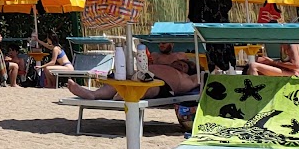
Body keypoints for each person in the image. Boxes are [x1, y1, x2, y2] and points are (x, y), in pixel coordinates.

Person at [65, 44, 200, 99]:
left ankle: (126, 95)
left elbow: (200, 77)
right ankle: (92, 94)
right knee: (118, 81)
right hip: (139, 75)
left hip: (161, 85)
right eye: (180, 63)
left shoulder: (186, 79)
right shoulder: (163, 63)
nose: (181, 66)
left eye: (185, 66)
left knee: (149, 87)